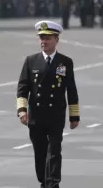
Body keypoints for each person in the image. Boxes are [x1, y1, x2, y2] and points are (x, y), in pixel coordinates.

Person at [16, 20, 80, 188]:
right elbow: (23, 87)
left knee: (54, 152)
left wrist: (74, 115)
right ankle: (44, 182)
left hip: (55, 115)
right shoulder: (31, 61)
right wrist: (22, 110)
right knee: (40, 153)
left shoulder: (65, 62)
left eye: (47, 38)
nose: (43, 42)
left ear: (56, 39)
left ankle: (52, 184)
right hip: (36, 116)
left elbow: (71, 89)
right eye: (41, 38)